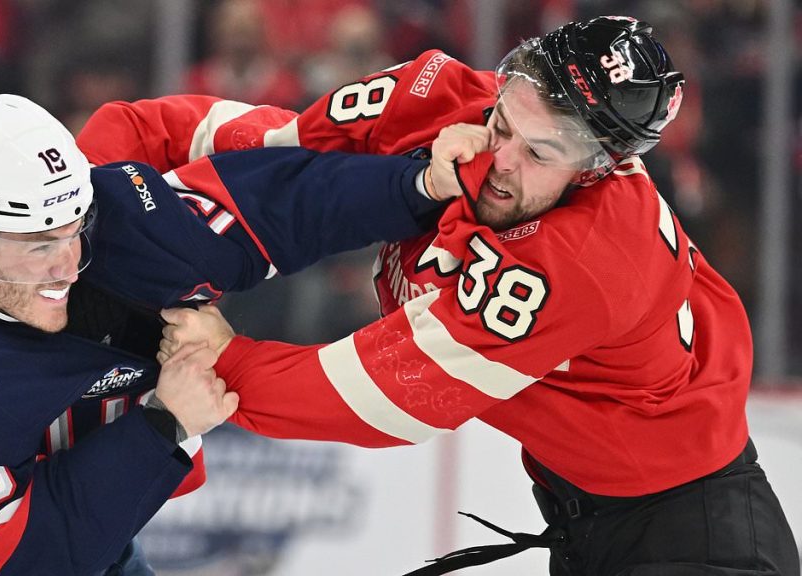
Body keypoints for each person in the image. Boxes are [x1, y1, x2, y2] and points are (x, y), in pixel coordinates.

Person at [154, 17, 800, 576]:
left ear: (600, 167)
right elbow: (275, 150)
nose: (501, 159)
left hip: (697, 538)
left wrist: (223, 361)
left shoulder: (585, 260)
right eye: (503, 121)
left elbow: (385, 396)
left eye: (542, 152)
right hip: (594, 513)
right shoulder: (438, 94)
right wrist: (120, 166)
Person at [0, 93, 462, 575]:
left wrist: (423, 181)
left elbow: (284, 205)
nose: (68, 264)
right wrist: (167, 422)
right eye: (37, 246)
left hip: (88, 535)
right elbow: (40, 556)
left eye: (74, 231)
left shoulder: (117, 219)